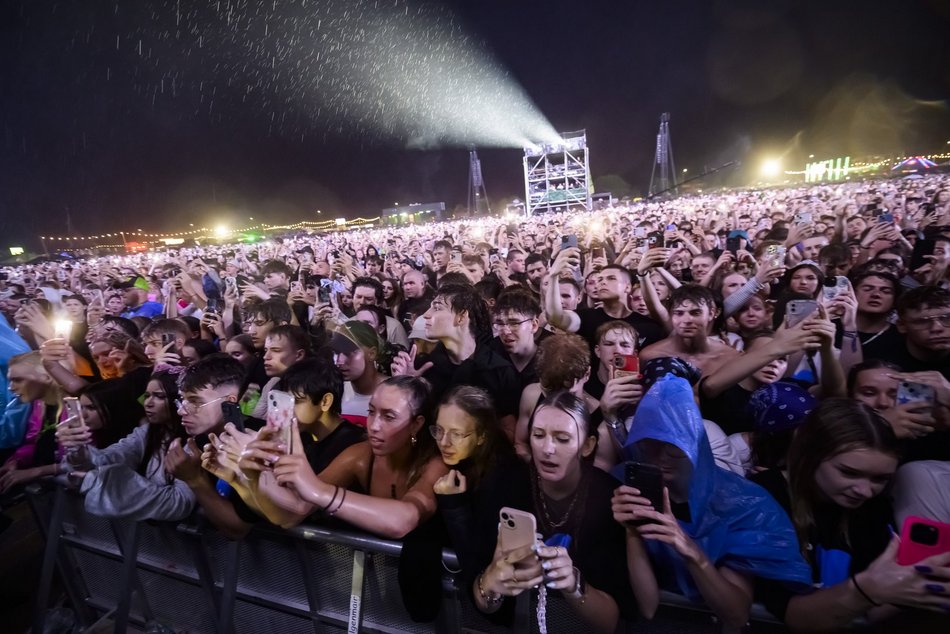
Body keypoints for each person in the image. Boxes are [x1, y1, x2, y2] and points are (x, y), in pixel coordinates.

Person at [611, 374, 812, 629]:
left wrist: (689, 550)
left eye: (672, 446)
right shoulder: (626, 488)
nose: (660, 457)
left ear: (694, 445)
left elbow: (736, 615)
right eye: (649, 445)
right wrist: (632, 532)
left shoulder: (743, 505)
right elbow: (648, 608)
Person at [758, 399, 949, 630]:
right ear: (810, 455)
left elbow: (878, 611)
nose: (865, 491)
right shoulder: (762, 497)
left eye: (880, 479)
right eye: (849, 473)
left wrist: (917, 590)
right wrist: (865, 590)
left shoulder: (871, 508)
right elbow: (794, 617)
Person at [473, 392, 633, 633]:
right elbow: (481, 601)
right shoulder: (505, 486)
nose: (547, 449)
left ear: (587, 445)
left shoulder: (608, 500)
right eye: (538, 435)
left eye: (563, 439)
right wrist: (491, 583)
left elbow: (611, 622)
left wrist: (573, 584)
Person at [268, 376, 448, 539]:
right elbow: (297, 509)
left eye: (389, 417)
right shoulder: (361, 456)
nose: (374, 426)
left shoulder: (435, 465)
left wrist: (319, 491)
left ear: (416, 424)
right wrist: (256, 470)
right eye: (371, 412)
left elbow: (403, 521)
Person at [204, 357, 366, 531]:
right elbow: (276, 515)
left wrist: (250, 474)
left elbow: (294, 514)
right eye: (285, 402)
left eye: (297, 401)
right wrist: (239, 478)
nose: (287, 411)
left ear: (325, 401)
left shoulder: (352, 445)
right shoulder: (302, 438)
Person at [431, 386, 531, 603]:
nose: (444, 442)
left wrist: (453, 505)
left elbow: (479, 562)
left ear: (481, 436)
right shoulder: (462, 464)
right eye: (439, 430)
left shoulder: (506, 479)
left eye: (457, 434)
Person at [55, 370, 194, 521]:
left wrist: (100, 481)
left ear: (178, 399)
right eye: (146, 396)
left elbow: (179, 502)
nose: (148, 403)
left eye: (159, 396)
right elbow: (112, 456)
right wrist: (78, 450)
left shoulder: (193, 440)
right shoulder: (149, 432)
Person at [392, 284, 520, 438]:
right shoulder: (424, 367)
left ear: (461, 317)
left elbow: (508, 430)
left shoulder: (498, 370)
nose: (426, 314)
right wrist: (407, 386)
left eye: (437, 307)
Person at [330, 320, 385, 426]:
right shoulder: (335, 390)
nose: (340, 361)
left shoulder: (394, 392)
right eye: (336, 352)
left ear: (372, 354)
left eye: (348, 352)